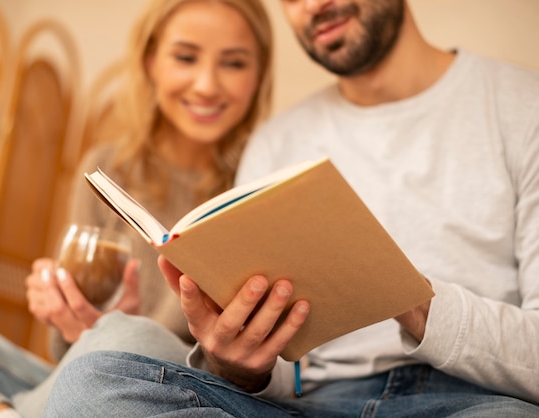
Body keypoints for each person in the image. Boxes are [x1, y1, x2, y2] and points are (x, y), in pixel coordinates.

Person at [44, 0, 539, 416]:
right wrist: (243, 366)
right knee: (92, 383)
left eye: (233, 63)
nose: (313, 4)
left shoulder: (522, 108)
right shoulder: (278, 141)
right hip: (306, 406)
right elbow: (280, 380)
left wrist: (412, 301)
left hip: (471, 403)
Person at [0, 0, 273, 416]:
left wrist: (130, 332)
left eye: (233, 64)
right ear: (151, 61)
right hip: (90, 371)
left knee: (125, 341)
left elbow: (250, 374)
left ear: (259, 75)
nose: (207, 84)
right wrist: (74, 317)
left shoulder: (259, 184)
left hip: (177, 385)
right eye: (185, 57)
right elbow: (74, 348)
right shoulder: (106, 170)